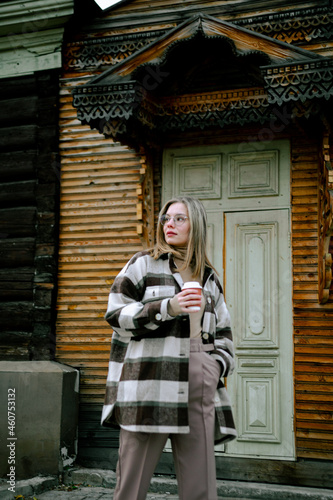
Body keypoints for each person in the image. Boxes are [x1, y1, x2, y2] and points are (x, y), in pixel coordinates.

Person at [102, 195, 236, 500]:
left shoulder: (209, 278)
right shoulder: (143, 263)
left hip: (199, 375)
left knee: (199, 484)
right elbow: (115, 315)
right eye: (166, 218)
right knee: (132, 484)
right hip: (151, 376)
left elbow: (225, 334)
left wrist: (215, 366)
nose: (169, 224)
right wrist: (168, 307)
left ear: (196, 225)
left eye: (179, 218)